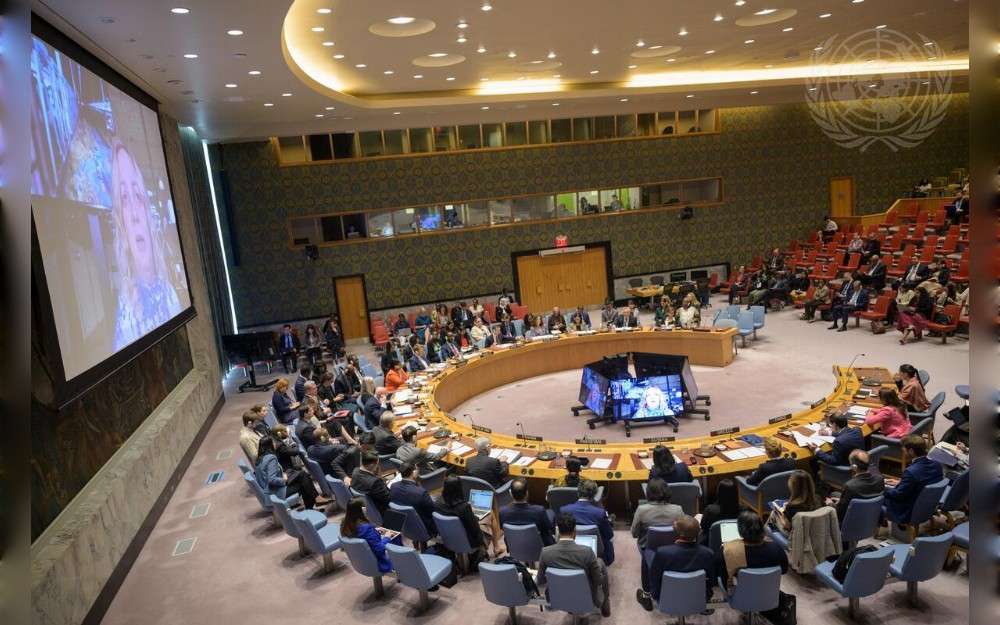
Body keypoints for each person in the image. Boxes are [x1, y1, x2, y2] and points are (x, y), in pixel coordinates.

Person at [108, 138, 183, 350]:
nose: (133, 214)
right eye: (123, 197)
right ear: (120, 222)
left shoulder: (168, 291)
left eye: (137, 195)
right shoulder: (127, 314)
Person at [637, 515, 717, 611]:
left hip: (667, 597)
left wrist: (656, 595)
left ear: (677, 533)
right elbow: (712, 580)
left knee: (647, 554)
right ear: (699, 533)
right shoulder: (708, 553)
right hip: (699, 596)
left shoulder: (663, 553)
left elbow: (654, 579)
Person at [537, 513, 611, 617]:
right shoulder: (587, 552)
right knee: (600, 563)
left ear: (558, 531)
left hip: (557, 597)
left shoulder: (545, 552)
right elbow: (598, 581)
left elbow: (540, 581)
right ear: (574, 532)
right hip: (587, 598)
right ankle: (605, 602)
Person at [720, 510, 789, 589]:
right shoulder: (777, 548)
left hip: (741, 597)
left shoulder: (728, 551)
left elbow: (722, 576)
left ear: (740, 531)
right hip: (770, 595)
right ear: (762, 528)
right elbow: (784, 570)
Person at [883, 436, 943, 524]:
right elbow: (923, 482)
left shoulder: (911, 471)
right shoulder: (937, 464)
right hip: (928, 505)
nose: (903, 450)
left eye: (904, 448)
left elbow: (899, 495)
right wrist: (901, 482)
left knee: (878, 495)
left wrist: (882, 488)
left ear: (911, 451)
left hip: (909, 510)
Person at [560, 480, 615, 565]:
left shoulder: (564, 510)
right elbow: (609, 535)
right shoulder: (599, 513)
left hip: (571, 549)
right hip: (596, 552)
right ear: (594, 495)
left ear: (578, 493)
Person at [254, 436, 318, 509]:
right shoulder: (271, 458)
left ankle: (312, 505)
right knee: (303, 482)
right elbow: (271, 479)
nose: (275, 444)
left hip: (269, 491)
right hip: (276, 492)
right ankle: (311, 507)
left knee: (300, 474)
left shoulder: (260, 458)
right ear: (270, 445)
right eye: (274, 442)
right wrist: (284, 480)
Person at [434, 475, 487, 562]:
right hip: (469, 542)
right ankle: (496, 547)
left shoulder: (438, 503)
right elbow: (475, 530)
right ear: (459, 488)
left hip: (447, 538)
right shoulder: (464, 507)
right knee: (488, 519)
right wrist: (474, 516)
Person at [340, 497, 398, 573]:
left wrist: (374, 531)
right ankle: (399, 568)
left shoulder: (345, 524)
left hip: (360, 561)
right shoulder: (367, 528)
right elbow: (379, 549)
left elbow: (361, 535)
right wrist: (387, 537)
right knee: (396, 537)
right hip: (379, 562)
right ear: (363, 509)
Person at [499, 479, 556, 546]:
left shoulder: (502, 511)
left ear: (510, 493)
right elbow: (548, 527)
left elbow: (502, 529)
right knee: (550, 514)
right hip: (539, 547)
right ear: (527, 493)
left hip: (514, 546)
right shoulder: (539, 511)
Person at [834, 450, 885, 524]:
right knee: (835, 494)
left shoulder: (850, 486)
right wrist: (841, 501)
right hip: (872, 519)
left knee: (832, 499)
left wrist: (832, 505)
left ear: (854, 467)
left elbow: (841, 514)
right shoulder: (880, 479)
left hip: (852, 524)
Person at [632, 478, 684, 549]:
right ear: (667, 491)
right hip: (672, 548)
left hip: (648, 548)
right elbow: (683, 532)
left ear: (648, 492)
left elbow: (634, 534)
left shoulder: (641, 510)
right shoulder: (678, 509)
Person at [389, 461, 437, 536]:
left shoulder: (393, 486)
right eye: (417, 469)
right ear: (413, 472)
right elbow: (433, 511)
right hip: (424, 527)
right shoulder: (421, 492)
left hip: (404, 525)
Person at [699, 478, 741, 543]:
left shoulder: (710, 510)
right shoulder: (743, 511)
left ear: (718, 492)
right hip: (734, 541)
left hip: (712, 542)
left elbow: (703, 526)